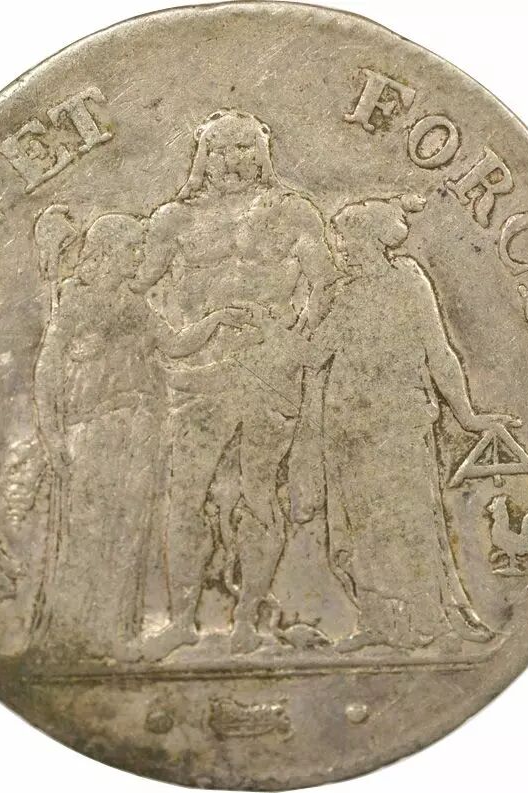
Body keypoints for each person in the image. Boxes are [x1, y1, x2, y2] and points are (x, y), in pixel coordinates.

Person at [139, 109, 337, 660]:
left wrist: (294, 338)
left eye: (245, 148)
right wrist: (173, 337)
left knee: (260, 494)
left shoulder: (293, 212)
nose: (233, 161)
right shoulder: (174, 219)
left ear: (263, 153)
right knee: (186, 494)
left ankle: (247, 620)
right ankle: (183, 620)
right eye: (221, 150)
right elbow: (138, 285)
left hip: (269, 372)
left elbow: (324, 284)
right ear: (203, 157)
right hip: (198, 374)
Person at [32, 212, 252, 663]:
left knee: (128, 533)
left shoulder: (134, 304)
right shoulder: (76, 300)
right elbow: (48, 366)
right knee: (89, 530)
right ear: (108, 251)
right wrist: (51, 433)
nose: (139, 256)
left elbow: (174, 345)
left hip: (140, 430)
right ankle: (72, 635)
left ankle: (115, 634)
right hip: (94, 428)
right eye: (132, 248)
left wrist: (218, 319)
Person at [316, 194, 515, 651]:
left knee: (408, 519)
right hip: (347, 427)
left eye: (345, 241)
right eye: (336, 242)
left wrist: (466, 415)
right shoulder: (344, 295)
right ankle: (378, 622)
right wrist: (265, 334)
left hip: (397, 422)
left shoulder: (408, 281)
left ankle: (431, 619)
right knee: (362, 526)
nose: (339, 251)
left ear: (371, 240)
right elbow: (312, 355)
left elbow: (439, 353)